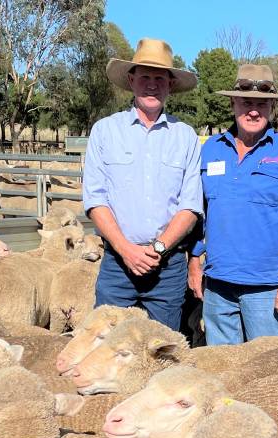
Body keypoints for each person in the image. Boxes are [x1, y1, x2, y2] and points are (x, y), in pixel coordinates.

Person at [189, 64, 278, 345]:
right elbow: (198, 213)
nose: (253, 110)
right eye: (246, 102)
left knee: (262, 368)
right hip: (217, 284)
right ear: (233, 102)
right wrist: (193, 261)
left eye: (261, 104)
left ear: (271, 107)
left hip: (266, 289)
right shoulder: (210, 149)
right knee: (222, 365)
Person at [81, 38, 202, 331]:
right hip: (117, 265)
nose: (152, 84)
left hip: (168, 267)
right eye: (144, 77)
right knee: (107, 349)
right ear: (131, 81)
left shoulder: (185, 137)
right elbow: (95, 200)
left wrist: (158, 248)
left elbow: (190, 205)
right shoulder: (105, 131)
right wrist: (125, 249)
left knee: (161, 351)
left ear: (170, 85)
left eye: (159, 78)